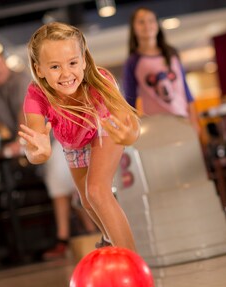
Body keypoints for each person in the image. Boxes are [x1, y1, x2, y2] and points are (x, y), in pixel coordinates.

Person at [18, 22, 142, 254]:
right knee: (86, 199)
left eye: (72, 63)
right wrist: (38, 153)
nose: (66, 74)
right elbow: (34, 143)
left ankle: (137, 270)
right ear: (39, 69)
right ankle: (108, 237)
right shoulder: (36, 95)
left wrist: (129, 135)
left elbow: (129, 121)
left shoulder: (100, 80)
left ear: (84, 60)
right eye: (55, 66)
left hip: (106, 128)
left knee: (96, 190)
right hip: (72, 142)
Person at [0, 47, 97, 261]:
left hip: (54, 136)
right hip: (39, 142)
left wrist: (21, 141)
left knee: (63, 186)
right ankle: (86, 233)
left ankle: (71, 237)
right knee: (70, 189)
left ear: (5, 64)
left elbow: (26, 114)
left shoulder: (21, 82)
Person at [122, 7, 201, 138]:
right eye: (141, 22)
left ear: (157, 25)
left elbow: (186, 91)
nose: (147, 25)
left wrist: (194, 121)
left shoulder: (171, 54)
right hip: (157, 125)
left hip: (183, 119)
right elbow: (130, 102)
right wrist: (133, 130)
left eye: (151, 20)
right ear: (133, 28)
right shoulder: (133, 62)